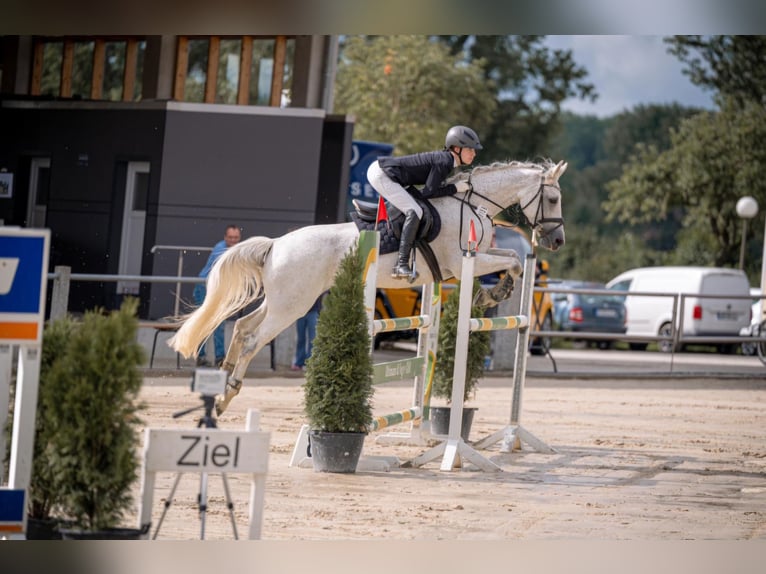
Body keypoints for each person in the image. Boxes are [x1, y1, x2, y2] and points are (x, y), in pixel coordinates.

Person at [366, 125, 483, 279]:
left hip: (385, 172)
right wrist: (455, 188)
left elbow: (427, 191)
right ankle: (401, 264)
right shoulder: (445, 161)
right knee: (415, 211)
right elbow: (429, 193)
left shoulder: (446, 160)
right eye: (470, 149)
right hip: (383, 174)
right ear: (456, 148)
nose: (474, 153)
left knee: (415, 207)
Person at [193, 224, 242, 367]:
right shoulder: (221, 250)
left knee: (219, 323)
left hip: (219, 289)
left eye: (236, 237)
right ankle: (201, 357)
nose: (233, 240)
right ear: (225, 237)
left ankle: (219, 357)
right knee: (204, 322)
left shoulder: (235, 250)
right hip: (205, 287)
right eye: (230, 237)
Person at [291, 293, 324, 371]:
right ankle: (299, 362)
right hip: (301, 312)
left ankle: (311, 362)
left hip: (313, 311)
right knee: (300, 338)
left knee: (313, 339)